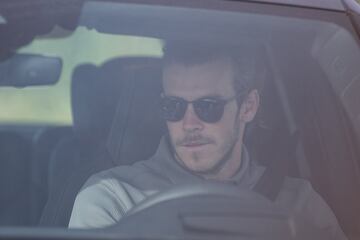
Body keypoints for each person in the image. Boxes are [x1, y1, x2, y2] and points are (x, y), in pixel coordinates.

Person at [68, 42, 346, 239]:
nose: (189, 124)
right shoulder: (112, 198)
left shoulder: (300, 205)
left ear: (248, 107)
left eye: (208, 106)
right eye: (173, 107)